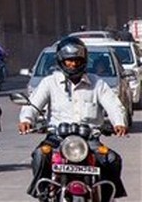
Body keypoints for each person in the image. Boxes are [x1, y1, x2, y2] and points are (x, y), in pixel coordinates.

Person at [18, 36, 128, 200]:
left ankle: (107, 197)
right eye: (69, 60)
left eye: (77, 60)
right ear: (61, 61)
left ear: (84, 60)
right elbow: (33, 105)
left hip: (90, 140)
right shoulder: (49, 82)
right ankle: (41, 192)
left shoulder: (97, 83)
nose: (74, 64)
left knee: (112, 159)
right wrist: (26, 120)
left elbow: (114, 105)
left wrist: (119, 123)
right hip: (57, 138)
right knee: (40, 155)